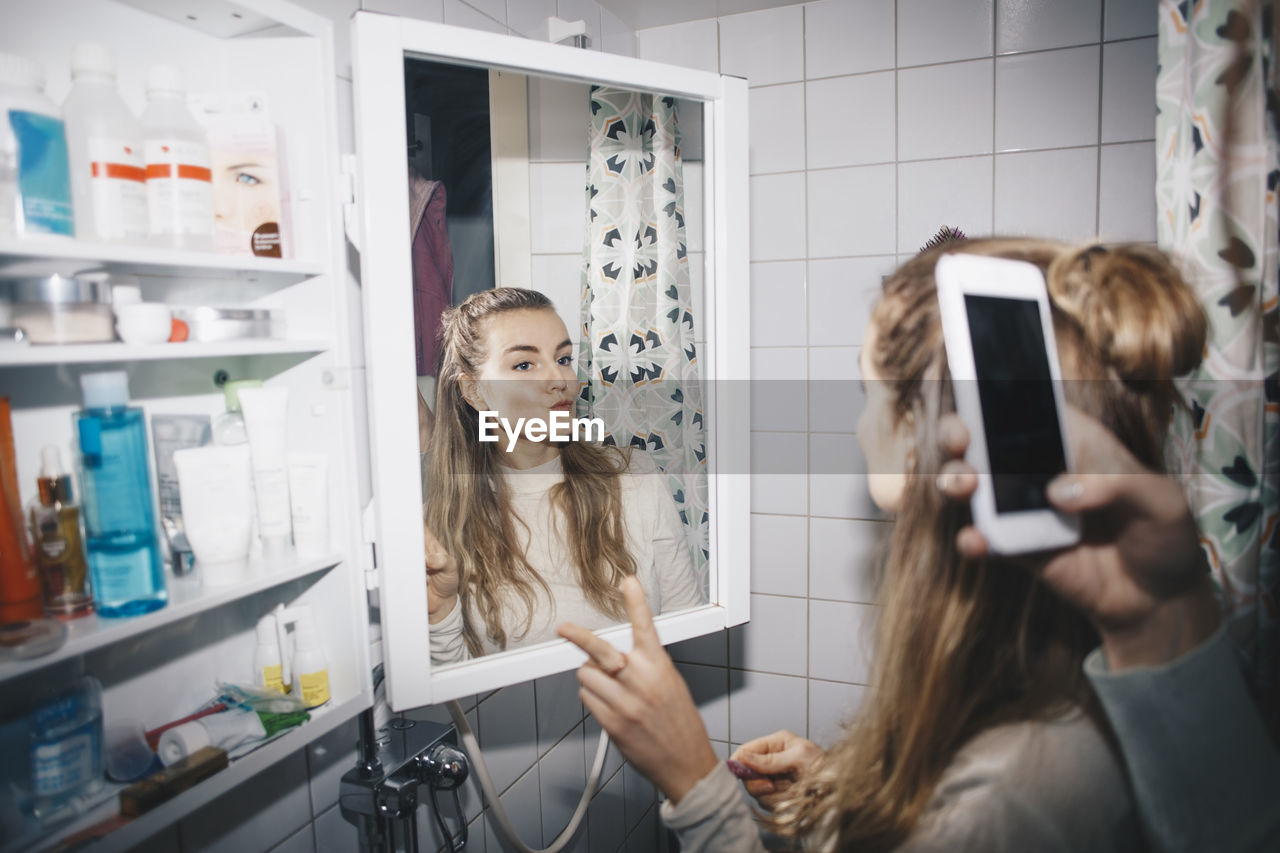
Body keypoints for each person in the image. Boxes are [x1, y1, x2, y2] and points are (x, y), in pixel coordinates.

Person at [560, 239, 1280, 852]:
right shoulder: (1074, 693)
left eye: (867, 389)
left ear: (921, 431)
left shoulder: (1003, 793)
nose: (858, 426)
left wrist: (693, 779)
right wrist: (850, 787)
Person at [423, 287, 704, 662]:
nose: (560, 380)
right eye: (525, 364)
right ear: (474, 392)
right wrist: (440, 615)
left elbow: (685, 627)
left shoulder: (633, 477)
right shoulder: (440, 519)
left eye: (564, 358)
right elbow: (461, 692)